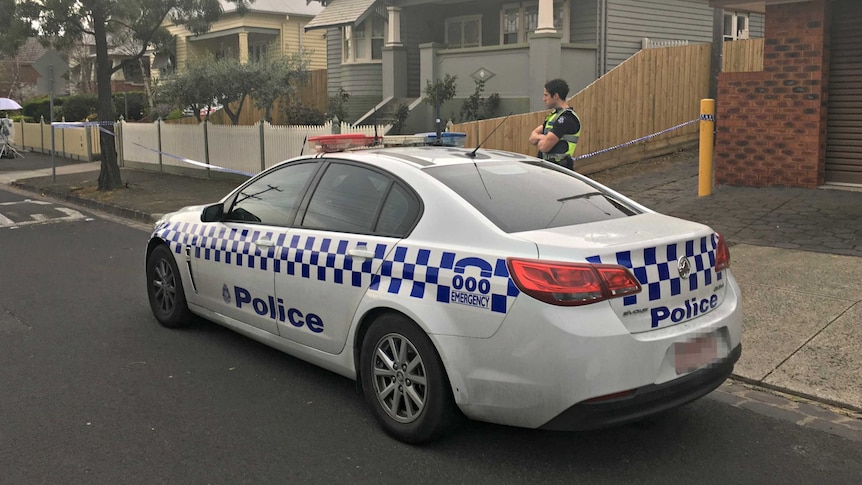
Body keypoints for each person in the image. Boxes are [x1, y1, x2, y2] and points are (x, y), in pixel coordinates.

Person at [529, 79, 581, 170]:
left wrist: (541, 137)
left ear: (556, 96)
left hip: (560, 169)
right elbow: (532, 138)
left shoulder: (566, 118)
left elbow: (543, 147)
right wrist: (544, 137)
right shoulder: (553, 116)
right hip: (547, 168)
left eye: (546, 95)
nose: (543, 99)